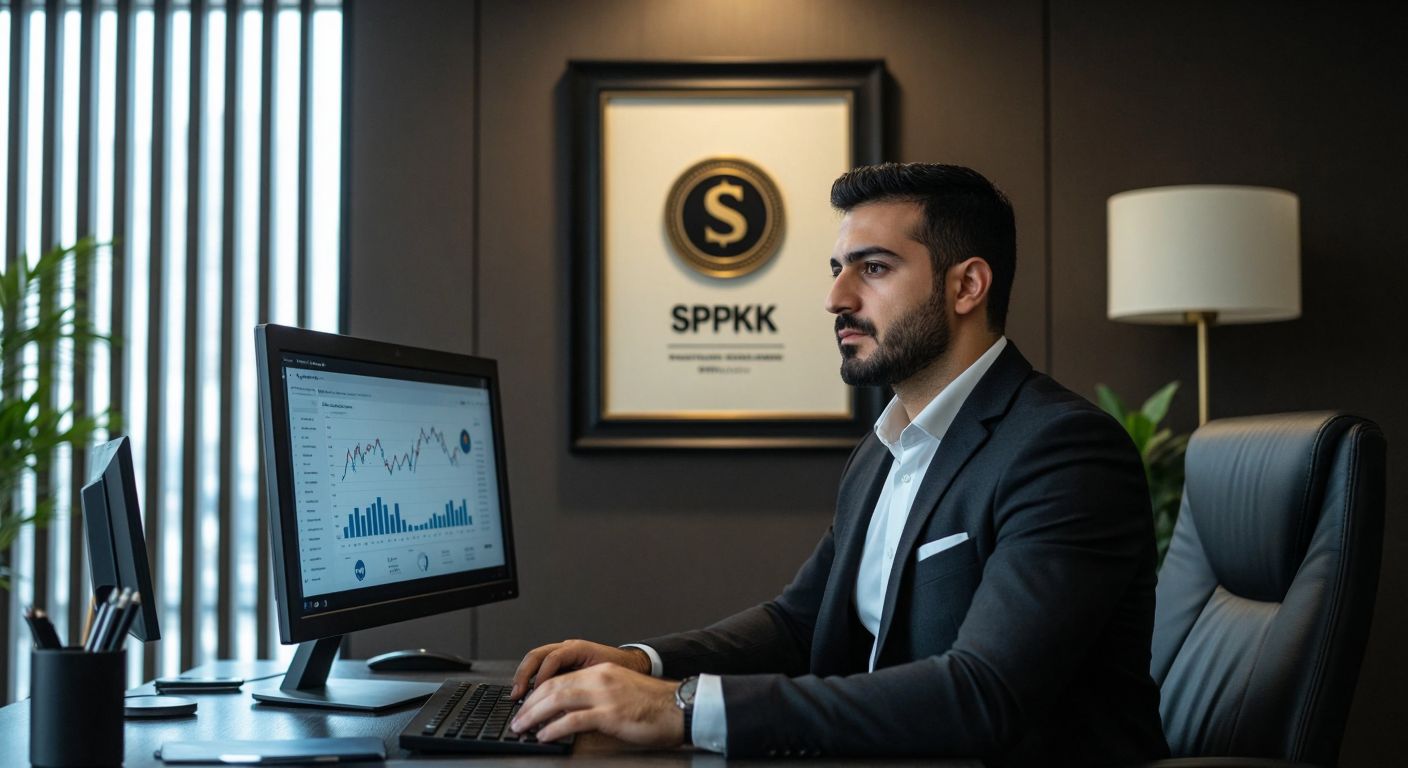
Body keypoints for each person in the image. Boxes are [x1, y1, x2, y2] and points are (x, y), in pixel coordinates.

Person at [508, 163, 1170, 765]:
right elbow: (800, 622)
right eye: (837, 268)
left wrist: (680, 707)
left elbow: (984, 694)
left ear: (967, 285)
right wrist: (642, 662)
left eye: (874, 268)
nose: (836, 298)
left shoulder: (1063, 451)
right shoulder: (888, 447)